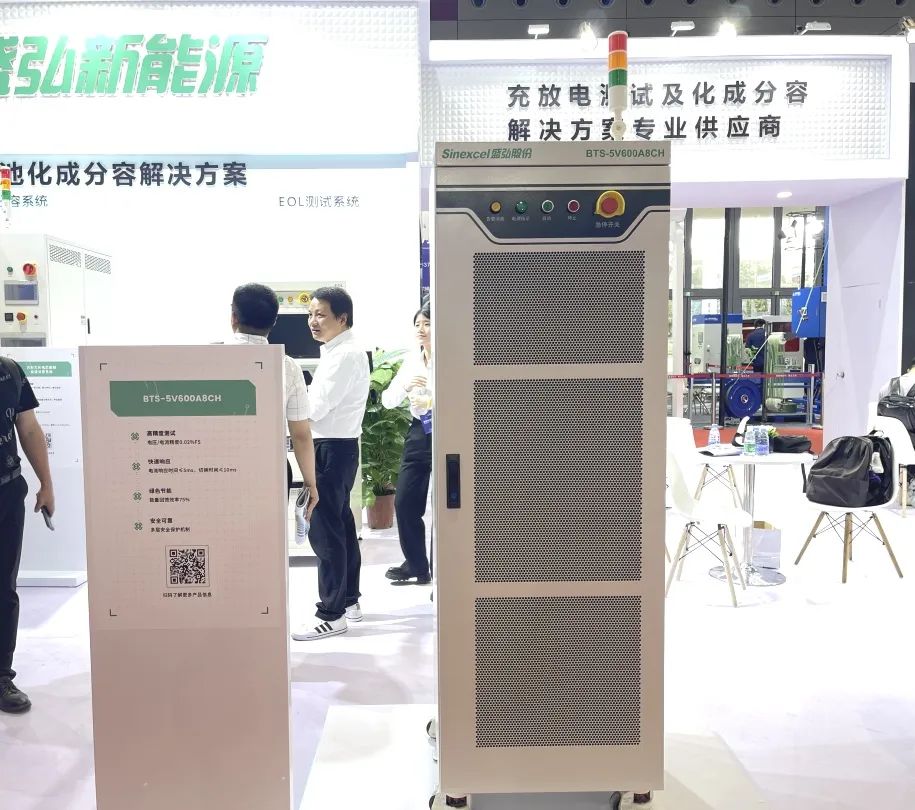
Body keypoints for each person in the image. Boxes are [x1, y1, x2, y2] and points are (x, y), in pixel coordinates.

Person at [292, 287, 370, 641]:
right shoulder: (340, 352)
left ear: (343, 318)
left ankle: (331, 613)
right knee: (341, 526)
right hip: (339, 448)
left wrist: (293, 399)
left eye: (320, 314)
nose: (313, 321)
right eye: (310, 314)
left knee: (326, 533)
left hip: (330, 449)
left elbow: (316, 409)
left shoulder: (344, 357)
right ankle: (349, 600)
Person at [228, 283, 319, 517]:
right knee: (269, 533)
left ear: (233, 317)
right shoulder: (288, 367)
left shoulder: (209, 361)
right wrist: (310, 483)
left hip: (220, 468)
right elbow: (300, 434)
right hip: (272, 468)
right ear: (274, 322)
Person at [0, 356, 54, 714]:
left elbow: (28, 427)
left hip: (6, 491)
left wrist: (46, 483)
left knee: (4, 588)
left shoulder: (10, 371)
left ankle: (2, 676)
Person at [384, 301, 433, 586]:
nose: (421, 329)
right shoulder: (413, 361)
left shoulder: (449, 358)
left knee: (452, 503)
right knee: (404, 501)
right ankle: (417, 565)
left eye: (427, 323)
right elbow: (388, 401)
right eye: (418, 324)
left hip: (448, 428)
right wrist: (404, 386)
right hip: (420, 431)